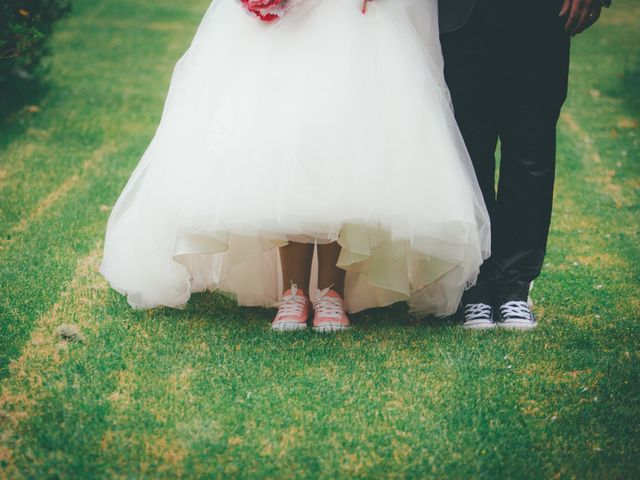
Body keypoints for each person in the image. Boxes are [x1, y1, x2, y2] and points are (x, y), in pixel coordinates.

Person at [99, 0, 490, 332]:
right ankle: (293, 289)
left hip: (350, 14)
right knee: (285, 134)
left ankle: (331, 290)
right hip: (294, 17)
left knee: (342, 133)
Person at [439, 0, 610, 330]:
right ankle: (476, 284)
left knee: (532, 148)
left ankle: (514, 286)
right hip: (462, 14)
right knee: (468, 150)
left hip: (539, 14)